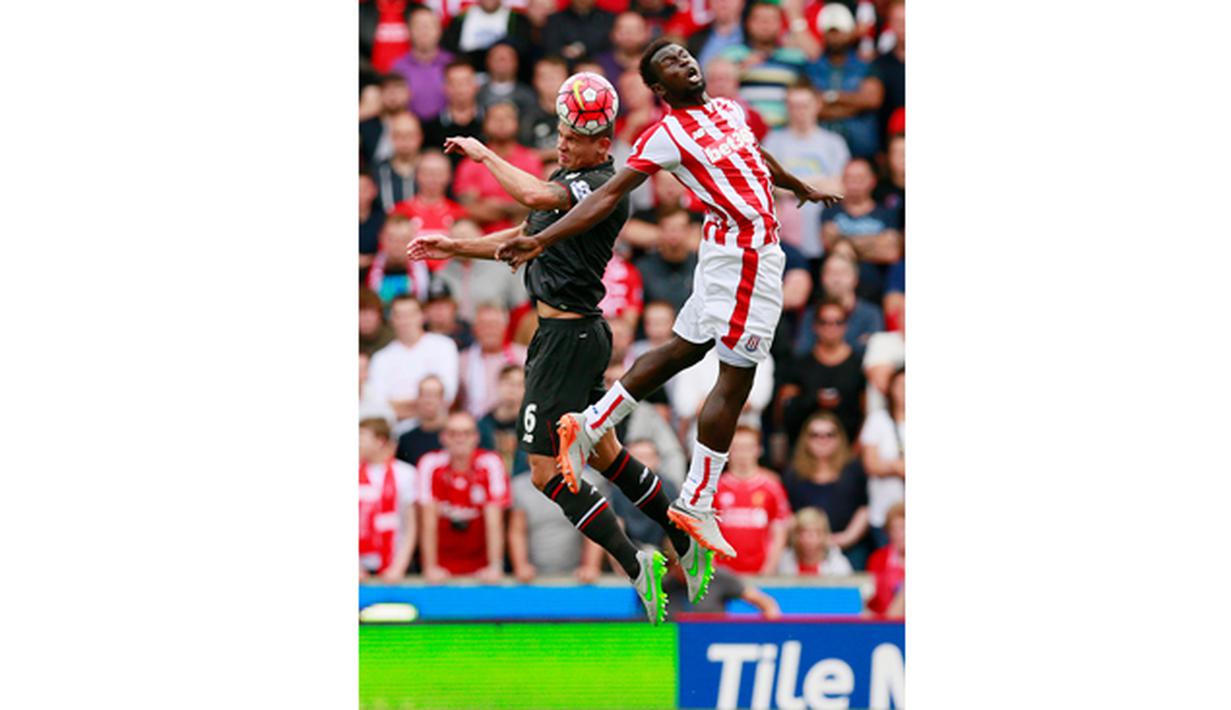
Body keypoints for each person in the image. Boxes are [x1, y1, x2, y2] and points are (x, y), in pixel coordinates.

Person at [496, 38, 841, 560]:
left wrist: (798, 186)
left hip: (728, 248)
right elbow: (610, 194)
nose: (686, 62)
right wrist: (542, 240)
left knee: (684, 348)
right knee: (737, 374)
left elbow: (754, 156)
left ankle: (590, 425)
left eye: (685, 54)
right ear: (659, 90)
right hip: (745, 257)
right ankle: (698, 499)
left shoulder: (728, 109)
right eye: (671, 65)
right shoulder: (666, 135)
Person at [407, 89, 714, 624]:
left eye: (576, 138)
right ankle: (682, 537)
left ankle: (633, 561)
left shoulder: (601, 186)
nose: (564, 144)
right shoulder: (574, 184)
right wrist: (456, 247)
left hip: (563, 341)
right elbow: (523, 236)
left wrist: (484, 155)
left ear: (602, 146)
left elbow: (530, 196)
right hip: (582, 337)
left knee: (546, 473)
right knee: (604, 455)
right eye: (563, 134)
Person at [760, 83, 850, 260]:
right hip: (784, 230)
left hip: (825, 225)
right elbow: (770, 186)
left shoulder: (834, 143)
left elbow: (840, 187)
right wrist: (819, 184)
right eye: (794, 106)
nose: (799, 111)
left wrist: (792, 185)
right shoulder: (773, 141)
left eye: (804, 105)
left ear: (817, 105)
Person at [418, 412, 510, 581]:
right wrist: (430, 567)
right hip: (442, 567)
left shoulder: (491, 463)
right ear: (443, 437)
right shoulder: (430, 463)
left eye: (466, 433)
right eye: (453, 434)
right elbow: (427, 520)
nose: (460, 439)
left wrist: (494, 566)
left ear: (476, 437)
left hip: (481, 567)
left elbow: (494, 520)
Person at [782, 411, 871, 569]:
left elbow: (864, 509)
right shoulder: (793, 473)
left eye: (829, 434)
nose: (822, 440)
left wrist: (845, 538)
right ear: (805, 439)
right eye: (815, 435)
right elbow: (786, 513)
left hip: (849, 547)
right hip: (803, 549)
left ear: (839, 438)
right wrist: (809, 539)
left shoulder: (853, 469)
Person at [364, 294, 460, 433]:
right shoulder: (381, 358)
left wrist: (397, 405)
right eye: (399, 315)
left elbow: (447, 396)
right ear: (391, 320)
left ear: (423, 316)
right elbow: (379, 406)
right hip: (396, 432)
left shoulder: (444, 346)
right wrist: (425, 403)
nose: (405, 320)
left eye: (410, 314)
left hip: (436, 429)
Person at [779, 297, 867, 444]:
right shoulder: (799, 364)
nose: (831, 327)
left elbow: (865, 412)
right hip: (803, 448)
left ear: (846, 325)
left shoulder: (860, 365)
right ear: (815, 326)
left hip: (847, 447)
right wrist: (813, 400)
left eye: (837, 322)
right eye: (824, 322)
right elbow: (785, 409)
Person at [820, 159, 902, 305]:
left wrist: (847, 244)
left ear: (872, 181)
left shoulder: (886, 213)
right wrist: (875, 242)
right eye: (849, 178)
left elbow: (891, 252)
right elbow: (830, 244)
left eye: (859, 179)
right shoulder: (830, 210)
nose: (854, 184)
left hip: (876, 292)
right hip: (836, 293)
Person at [807, 3, 884, 159]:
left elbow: (871, 100)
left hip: (861, 150)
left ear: (850, 32)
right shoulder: (810, 67)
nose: (835, 38)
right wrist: (854, 105)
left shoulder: (866, 65)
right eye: (831, 32)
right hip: (821, 151)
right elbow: (809, 105)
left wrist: (831, 97)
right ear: (823, 34)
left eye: (840, 32)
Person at [453, 102, 543, 234]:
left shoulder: (530, 160)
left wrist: (500, 207)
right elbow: (468, 208)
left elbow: (536, 203)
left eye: (507, 117)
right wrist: (514, 208)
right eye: (495, 118)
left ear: (517, 124)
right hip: (481, 233)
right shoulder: (471, 162)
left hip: (521, 229)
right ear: (485, 124)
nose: (501, 122)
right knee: (462, 229)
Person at [717, 1, 809, 129]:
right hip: (743, 131)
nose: (765, 24)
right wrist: (738, 70)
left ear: (781, 24)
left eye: (772, 19)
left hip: (783, 134)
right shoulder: (732, 55)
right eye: (759, 19)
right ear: (748, 23)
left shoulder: (795, 57)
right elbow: (716, 87)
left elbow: (810, 91)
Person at [713, 427, 791, 575]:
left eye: (748, 448)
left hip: (761, 572)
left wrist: (768, 570)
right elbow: (704, 532)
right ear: (727, 451)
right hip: (724, 575)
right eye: (737, 448)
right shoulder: (716, 487)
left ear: (759, 450)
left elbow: (779, 532)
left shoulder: (771, 487)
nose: (742, 454)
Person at [509, 471, 604, 583]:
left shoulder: (587, 483)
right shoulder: (519, 486)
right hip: (533, 576)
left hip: (577, 575)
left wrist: (591, 566)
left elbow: (595, 528)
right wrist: (521, 565)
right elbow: (517, 532)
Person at [359, 417, 419, 582]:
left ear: (380, 441)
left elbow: (411, 525)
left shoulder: (406, 473)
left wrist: (399, 567)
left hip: (395, 566)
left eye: (361, 437)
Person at [663, 542, 782, 619]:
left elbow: (767, 604)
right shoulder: (664, 584)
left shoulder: (718, 577)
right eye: (675, 566)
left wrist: (768, 632)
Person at [458, 302, 527, 418]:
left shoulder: (524, 356)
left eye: (494, 324)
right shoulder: (463, 361)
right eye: (484, 325)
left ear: (505, 326)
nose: (489, 330)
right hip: (474, 428)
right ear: (475, 329)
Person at [861, 366, 904, 546]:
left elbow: (880, 464)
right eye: (901, 385)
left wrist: (890, 466)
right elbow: (871, 464)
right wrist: (897, 467)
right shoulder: (878, 420)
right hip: (883, 512)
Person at [390, 6, 455, 121]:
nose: (424, 32)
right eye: (418, 26)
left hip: (445, 129)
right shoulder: (397, 67)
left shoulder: (452, 64)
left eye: (429, 26)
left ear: (439, 31)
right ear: (409, 31)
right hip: (409, 132)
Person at [634, 208, 699, 313]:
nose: (674, 235)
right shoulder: (643, 268)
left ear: (689, 232)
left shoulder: (701, 266)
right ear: (659, 231)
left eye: (680, 229)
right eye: (669, 229)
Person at [423, 60, 484, 165]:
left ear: (476, 86)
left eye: (465, 82)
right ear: (445, 87)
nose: (460, 89)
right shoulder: (431, 128)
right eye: (454, 83)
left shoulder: (490, 123)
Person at [441, 0, 532, 69]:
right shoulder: (460, 19)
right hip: (468, 77)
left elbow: (522, 53)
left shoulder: (517, 20)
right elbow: (450, 51)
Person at [478, 364, 530, 478]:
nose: (512, 389)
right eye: (508, 383)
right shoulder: (482, 425)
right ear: (498, 385)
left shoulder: (531, 426)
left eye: (519, 385)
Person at [394, 374, 450, 467]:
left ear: (443, 400)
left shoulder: (454, 437)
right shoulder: (405, 440)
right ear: (417, 399)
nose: (429, 401)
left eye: (435, 395)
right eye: (425, 395)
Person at [374, 111, 424, 212]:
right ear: (391, 137)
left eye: (410, 135)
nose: (405, 140)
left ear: (420, 137)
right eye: (399, 135)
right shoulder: (377, 171)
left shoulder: (433, 170)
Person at [476, 40, 538, 121]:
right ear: (488, 61)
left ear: (516, 63)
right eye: (497, 58)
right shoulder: (476, 93)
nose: (502, 62)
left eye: (507, 58)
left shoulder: (528, 97)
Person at [865, 501, 904, 617]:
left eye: (903, 528)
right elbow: (874, 601)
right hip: (884, 623)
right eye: (893, 529)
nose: (899, 534)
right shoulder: (877, 559)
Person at [544, 0, 616, 62]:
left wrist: (581, 49)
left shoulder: (609, 19)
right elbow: (551, 49)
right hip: (564, 66)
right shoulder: (555, 19)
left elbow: (610, 47)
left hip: (600, 67)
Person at [597, 12, 651, 81]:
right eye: (623, 29)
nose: (629, 34)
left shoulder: (653, 64)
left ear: (647, 33)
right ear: (612, 33)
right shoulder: (600, 63)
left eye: (635, 30)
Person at [359, 287, 395, 356]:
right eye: (360, 313)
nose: (365, 319)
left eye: (370, 312)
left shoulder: (393, 340)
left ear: (380, 315)